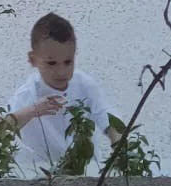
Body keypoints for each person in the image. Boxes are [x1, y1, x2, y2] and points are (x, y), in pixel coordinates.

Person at [6, 13, 112, 172]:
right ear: (33, 59)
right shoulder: (28, 93)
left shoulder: (85, 85)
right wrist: (33, 110)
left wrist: (120, 148)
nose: (61, 71)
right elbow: (0, 130)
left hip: (83, 173)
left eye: (68, 62)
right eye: (52, 63)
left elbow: (107, 119)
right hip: (39, 174)